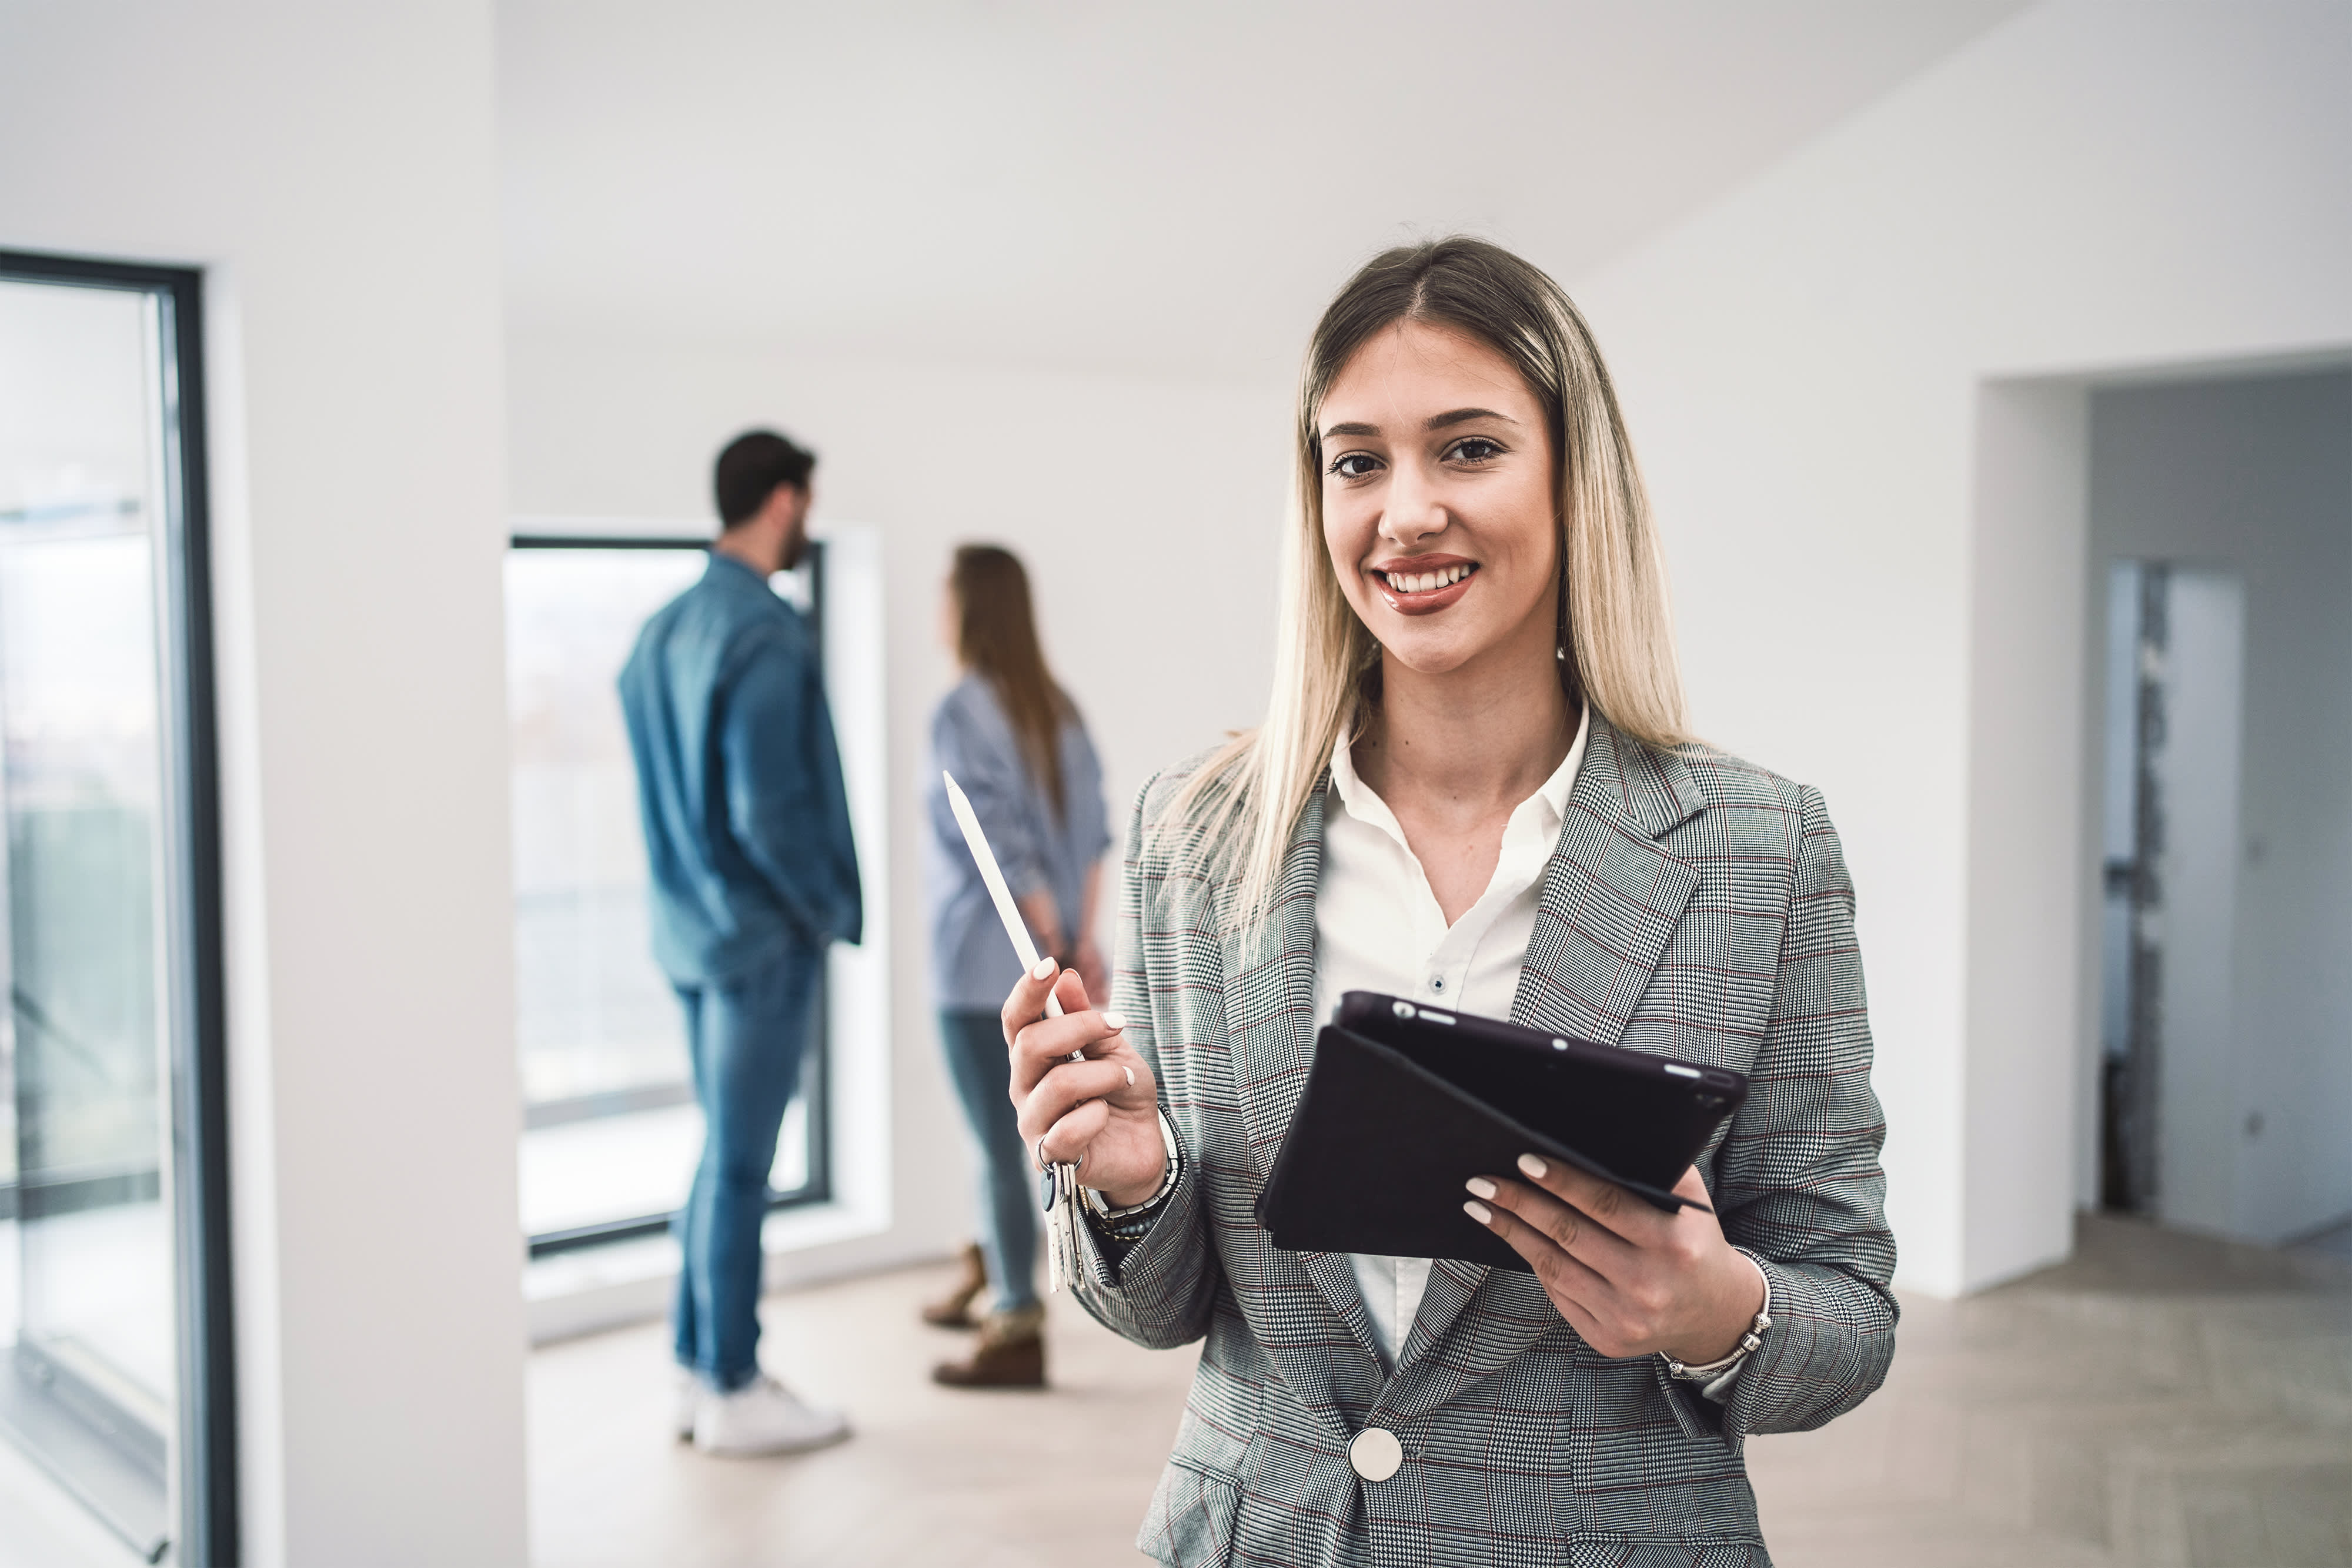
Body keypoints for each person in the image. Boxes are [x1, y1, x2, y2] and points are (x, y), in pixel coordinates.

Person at [1000, 238, 1896, 1563]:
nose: (1402, 509)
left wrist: (1707, 1305)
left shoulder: (1758, 846)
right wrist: (1131, 1179)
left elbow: (1849, 1313)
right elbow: (1168, 1308)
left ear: (1571, 475)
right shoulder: (1194, 831)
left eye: (1467, 448)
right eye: (1356, 460)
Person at [617, 428, 860, 1457]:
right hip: (758, 939)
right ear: (785, 501)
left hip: (687, 935)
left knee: (721, 1155)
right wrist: (821, 908)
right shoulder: (763, 631)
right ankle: (732, 1381)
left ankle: (694, 1363)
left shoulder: (659, 633)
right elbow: (770, 809)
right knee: (742, 1167)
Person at [920, 544, 1111, 1388]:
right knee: (1017, 1140)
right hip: (1058, 952)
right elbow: (1096, 835)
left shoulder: (962, 709)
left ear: (968, 608)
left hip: (980, 966)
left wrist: (1045, 938)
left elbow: (1000, 844)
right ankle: (989, 1263)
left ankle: (1015, 1318)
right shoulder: (1058, 706)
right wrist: (1078, 939)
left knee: (999, 1144)